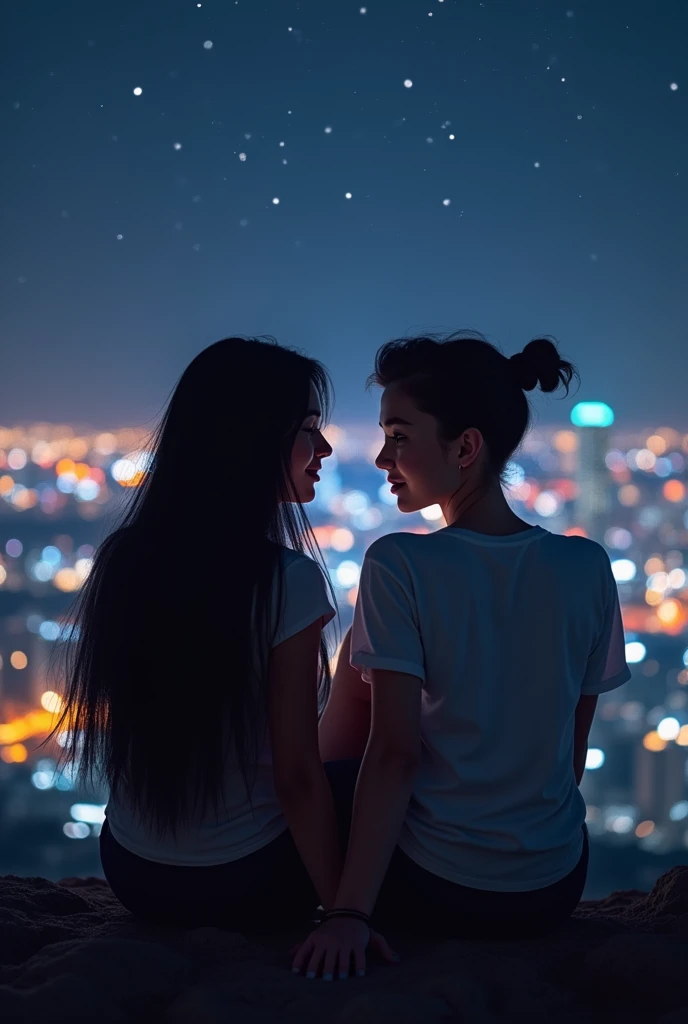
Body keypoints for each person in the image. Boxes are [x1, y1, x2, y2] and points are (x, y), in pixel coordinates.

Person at [294, 332, 630, 979]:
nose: (382, 457)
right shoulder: (587, 566)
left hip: (437, 889)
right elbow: (569, 757)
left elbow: (393, 755)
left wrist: (349, 914)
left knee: (316, 771)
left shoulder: (400, 564)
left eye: (399, 436)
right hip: (552, 886)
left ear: (466, 447)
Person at [46, 337, 347, 932]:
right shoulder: (289, 581)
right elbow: (297, 777)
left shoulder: (124, 557)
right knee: (379, 776)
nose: (326, 448)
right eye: (308, 428)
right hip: (246, 882)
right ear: (254, 438)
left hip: (131, 871)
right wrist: (347, 911)